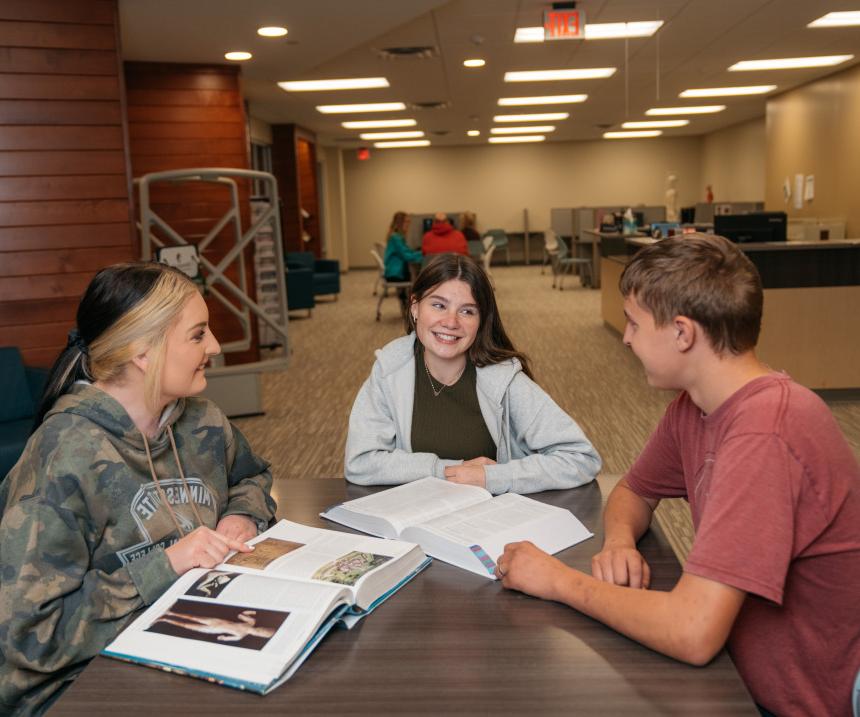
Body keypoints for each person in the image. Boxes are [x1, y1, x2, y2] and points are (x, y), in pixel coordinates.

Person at [495, 235, 860, 716]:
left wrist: (556, 580)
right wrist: (620, 541)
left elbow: (693, 632)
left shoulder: (766, 434)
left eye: (634, 322)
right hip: (741, 670)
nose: (625, 337)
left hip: (801, 701)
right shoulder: (699, 405)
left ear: (683, 333)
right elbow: (634, 489)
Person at [0, 262, 277, 716]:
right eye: (197, 334)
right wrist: (166, 564)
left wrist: (240, 516)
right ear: (142, 353)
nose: (215, 346)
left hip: (181, 639)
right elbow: (29, 635)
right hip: (75, 683)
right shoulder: (64, 454)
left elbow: (251, 477)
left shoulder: (202, 420)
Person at [345, 253, 601, 495]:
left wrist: (494, 478)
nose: (451, 322)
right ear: (415, 307)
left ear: (481, 321)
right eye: (438, 305)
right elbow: (360, 462)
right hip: (414, 520)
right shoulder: (390, 368)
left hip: (489, 524)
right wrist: (445, 471)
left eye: (467, 311)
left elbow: (580, 458)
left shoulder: (503, 378)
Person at [383, 211, 422, 311]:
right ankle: (413, 307)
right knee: (421, 278)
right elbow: (407, 256)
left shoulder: (396, 236)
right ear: (400, 223)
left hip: (395, 269)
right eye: (407, 222)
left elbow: (407, 252)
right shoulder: (396, 238)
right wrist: (425, 254)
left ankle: (408, 302)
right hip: (396, 273)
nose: (409, 224)